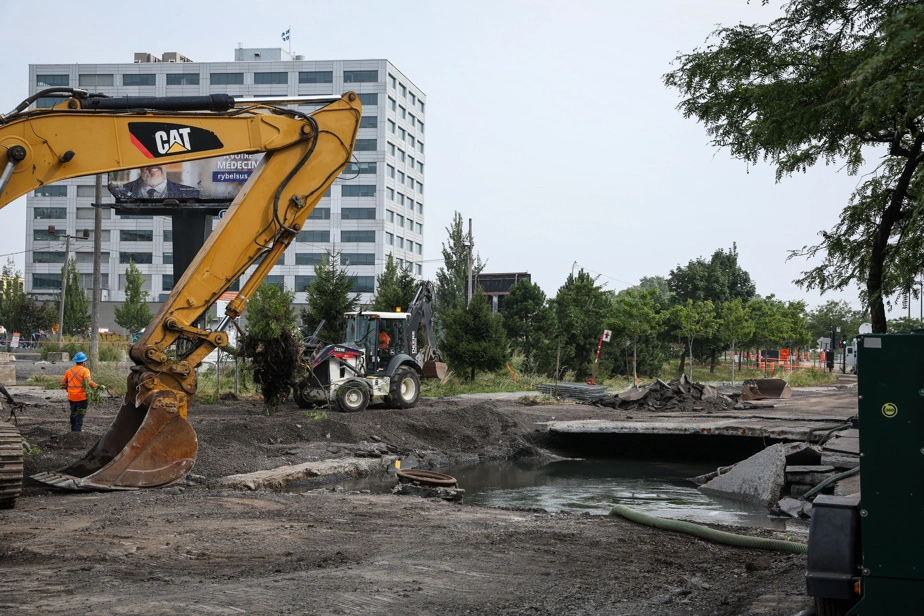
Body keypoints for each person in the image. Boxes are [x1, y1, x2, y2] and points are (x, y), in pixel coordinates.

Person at [60, 352, 99, 432]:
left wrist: (68, 389)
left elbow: (63, 383)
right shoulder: (85, 371)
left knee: (73, 413)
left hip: (71, 397)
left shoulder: (69, 371)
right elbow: (89, 382)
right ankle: (77, 432)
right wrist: (98, 387)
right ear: (83, 362)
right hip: (82, 397)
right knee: (80, 415)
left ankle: (73, 430)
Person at [110, 165, 199, 199]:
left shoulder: (191, 194)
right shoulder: (119, 192)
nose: (153, 164)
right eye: (146, 158)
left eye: (158, 158)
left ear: (168, 162)